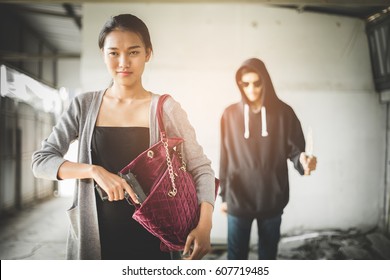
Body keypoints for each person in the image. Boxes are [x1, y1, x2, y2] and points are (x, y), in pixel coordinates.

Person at [32, 14, 215, 260]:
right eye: (114, 53)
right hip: (96, 243)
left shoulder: (166, 108)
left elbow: (201, 168)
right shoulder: (83, 106)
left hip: (154, 245)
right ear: (103, 54)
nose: (123, 62)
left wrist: (205, 226)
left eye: (133, 52)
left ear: (148, 54)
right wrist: (94, 171)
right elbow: (41, 162)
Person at [219, 58, 317, 260]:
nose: (251, 89)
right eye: (245, 84)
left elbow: (296, 152)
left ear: (266, 81)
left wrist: (304, 162)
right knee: (235, 259)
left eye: (257, 82)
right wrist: (224, 195)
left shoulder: (284, 113)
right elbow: (225, 158)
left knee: (268, 257)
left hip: (272, 198)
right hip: (238, 198)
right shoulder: (229, 115)